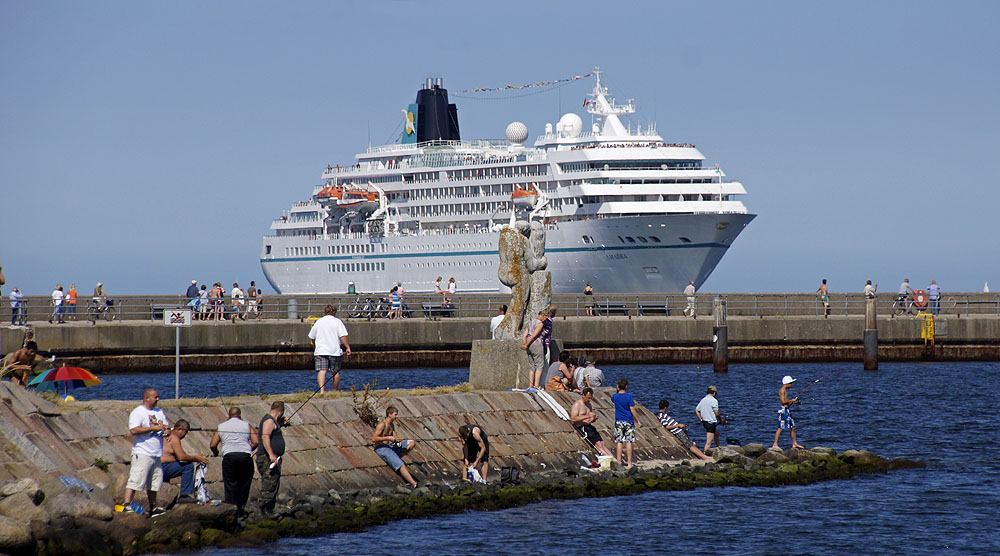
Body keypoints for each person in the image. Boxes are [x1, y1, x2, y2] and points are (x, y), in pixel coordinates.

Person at [122, 388, 170, 516]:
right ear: (147, 398)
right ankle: (127, 504)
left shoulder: (159, 412)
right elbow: (134, 430)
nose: (158, 399)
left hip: (156, 453)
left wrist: (166, 431)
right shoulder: (138, 412)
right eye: (155, 397)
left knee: (154, 482)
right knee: (136, 479)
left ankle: (153, 507)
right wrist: (151, 428)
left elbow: (165, 425)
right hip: (142, 452)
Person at [210, 407, 258, 514]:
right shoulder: (247, 425)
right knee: (244, 483)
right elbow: (256, 441)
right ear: (240, 415)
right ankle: (241, 508)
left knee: (230, 483)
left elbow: (213, 444)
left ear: (228, 416)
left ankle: (232, 508)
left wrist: (216, 452)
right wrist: (247, 448)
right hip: (245, 457)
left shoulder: (221, 426)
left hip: (229, 457)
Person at [161, 419, 209, 502]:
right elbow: (181, 457)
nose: (185, 435)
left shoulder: (166, 435)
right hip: (162, 467)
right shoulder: (174, 437)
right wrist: (197, 458)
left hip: (157, 466)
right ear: (180, 429)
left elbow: (181, 454)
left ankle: (164, 496)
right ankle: (184, 495)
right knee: (188, 466)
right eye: (185, 432)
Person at [307, 304, 351, 393]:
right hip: (334, 351)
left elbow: (311, 336)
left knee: (322, 371)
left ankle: (322, 391)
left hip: (320, 351)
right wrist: (348, 347)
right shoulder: (337, 322)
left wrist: (315, 345)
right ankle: (335, 390)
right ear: (334, 312)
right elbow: (343, 336)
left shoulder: (319, 322)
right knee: (335, 371)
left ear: (325, 312)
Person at [256, 401, 289, 515]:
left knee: (274, 484)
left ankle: (269, 510)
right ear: (280, 411)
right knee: (269, 484)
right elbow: (265, 438)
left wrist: (282, 423)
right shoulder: (269, 421)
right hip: (267, 458)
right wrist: (271, 454)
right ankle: (264, 510)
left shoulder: (273, 421)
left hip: (273, 458)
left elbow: (274, 429)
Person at [372, 406, 418, 487]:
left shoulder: (392, 425)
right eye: (395, 414)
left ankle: (396, 458)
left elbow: (395, 436)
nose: (397, 416)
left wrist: (398, 441)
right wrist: (388, 438)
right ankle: (414, 484)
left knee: (411, 442)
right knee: (401, 464)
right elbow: (374, 438)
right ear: (389, 414)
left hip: (390, 446)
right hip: (381, 448)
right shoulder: (382, 425)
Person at [570, 388, 613, 457]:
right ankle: (608, 458)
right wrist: (587, 416)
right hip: (582, 427)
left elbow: (590, 419)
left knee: (602, 443)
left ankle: (614, 460)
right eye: (588, 398)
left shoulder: (588, 405)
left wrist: (593, 418)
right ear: (583, 395)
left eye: (590, 398)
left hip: (589, 426)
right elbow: (573, 419)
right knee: (598, 444)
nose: (589, 400)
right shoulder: (577, 404)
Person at [611, 378, 641, 467]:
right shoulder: (629, 397)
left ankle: (619, 461)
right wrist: (638, 421)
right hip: (628, 420)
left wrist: (617, 390)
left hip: (618, 421)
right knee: (629, 441)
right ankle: (629, 463)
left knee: (619, 441)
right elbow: (632, 409)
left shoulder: (614, 396)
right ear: (626, 386)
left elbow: (613, 399)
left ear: (618, 386)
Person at [771, 376, 804, 451]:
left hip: (787, 410)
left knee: (793, 427)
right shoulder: (782, 390)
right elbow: (783, 402)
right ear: (787, 383)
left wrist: (794, 402)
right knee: (780, 427)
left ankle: (794, 444)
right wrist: (791, 400)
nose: (791, 385)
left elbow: (786, 402)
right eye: (791, 383)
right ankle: (775, 444)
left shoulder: (784, 390)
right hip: (783, 411)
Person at [521, 309, 549, 389]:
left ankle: (530, 385)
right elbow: (534, 336)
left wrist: (525, 344)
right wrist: (527, 344)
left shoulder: (530, 322)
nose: (545, 320)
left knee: (531, 365)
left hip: (529, 346)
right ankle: (536, 385)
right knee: (539, 365)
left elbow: (525, 335)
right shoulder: (540, 324)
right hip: (536, 344)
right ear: (543, 316)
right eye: (546, 318)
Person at [695, 385, 722, 454]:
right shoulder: (714, 401)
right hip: (710, 423)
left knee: (716, 434)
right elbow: (717, 413)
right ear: (714, 393)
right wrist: (720, 419)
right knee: (709, 442)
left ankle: (718, 448)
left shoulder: (703, 400)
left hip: (705, 422)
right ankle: (705, 454)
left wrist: (700, 419)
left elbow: (696, 410)